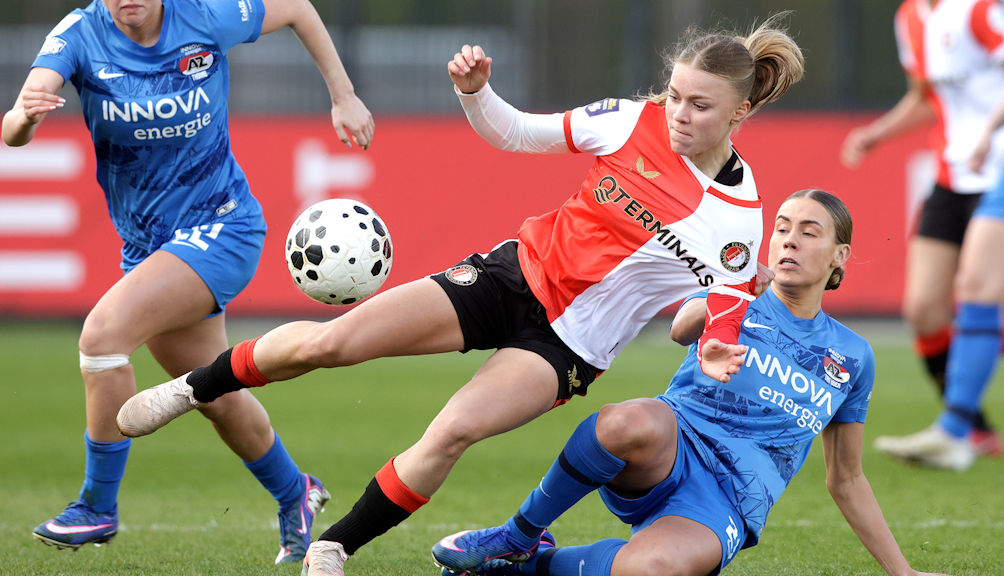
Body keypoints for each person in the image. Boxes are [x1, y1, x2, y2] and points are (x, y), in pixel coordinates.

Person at [117, 16, 805, 575]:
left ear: (740, 112)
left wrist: (718, 343)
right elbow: (516, 132)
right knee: (334, 342)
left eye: (699, 106)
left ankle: (333, 548)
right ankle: (193, 388)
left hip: (568, 348)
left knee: (452, 432)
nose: (677, 113)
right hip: (509, 277)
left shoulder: (738, 221)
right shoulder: (630, 121)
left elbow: (724, 309)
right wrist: (477, 93)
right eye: (675, 95)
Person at [1, 0, 374, 563]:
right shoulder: (78, 35)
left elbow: (299, 7)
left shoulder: (205, 15)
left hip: (225, 228)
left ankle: (96, 506)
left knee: (102, 338)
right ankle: (294, 491)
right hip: (150, 248)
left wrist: (343, 96)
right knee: (209, 391)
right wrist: (26, 117)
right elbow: (13, 128)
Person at [431, 189, 950, 576]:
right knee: (626, 421)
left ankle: (530, 567)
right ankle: (517, 535)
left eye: (809, 232)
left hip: (728, 501)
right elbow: (681, 328)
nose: (790, 240)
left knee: (653, 568)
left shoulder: (853, 356)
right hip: (671, 448)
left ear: (839, 255)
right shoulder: (738, 292)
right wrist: (726, 298)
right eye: (782, 228)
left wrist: (902, 572)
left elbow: (847, 479)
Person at [840, 0, 1004, 458]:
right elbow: (925, 99)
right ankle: (972, 430)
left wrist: (995, 133)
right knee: (923, 310)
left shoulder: (980, 9)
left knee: (979, 297)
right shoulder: (909, 18)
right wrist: (878, 133)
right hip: (951, 175)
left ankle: (958, 428)